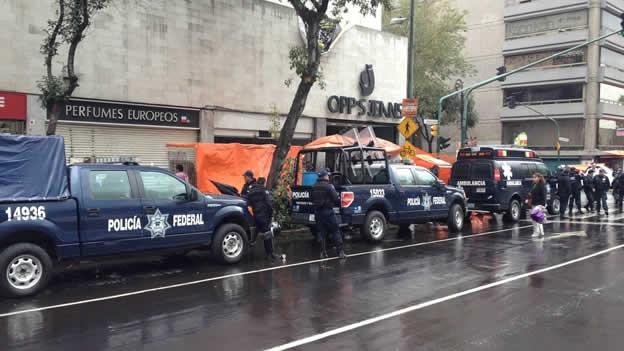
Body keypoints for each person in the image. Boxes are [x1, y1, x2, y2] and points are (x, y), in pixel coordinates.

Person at [311, 169, 347, 259]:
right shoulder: (329, 186)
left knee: (321, 233)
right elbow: (335, 198)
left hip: (318, 213)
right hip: (328, 212)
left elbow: (312, 198)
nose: (328, 176)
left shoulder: (314, 186)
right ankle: (340, 252)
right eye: (327, 175)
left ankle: (323, 253)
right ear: (325, 176)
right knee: (335, 231)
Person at [247, 177, 282, 263]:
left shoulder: (250, 191)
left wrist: (254, 215)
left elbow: (249, 206)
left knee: (260, 232)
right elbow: (269, 205)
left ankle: (252, 244)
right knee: (268, 234)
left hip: (256, 216)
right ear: (263, 183)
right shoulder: (263, 191)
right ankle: (271, 254)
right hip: (264, 215)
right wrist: (270, 216)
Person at [529, 173, 547, 238]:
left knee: (535, 219)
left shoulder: (542, 185)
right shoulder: (534, 185)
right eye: (533, 177)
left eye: (535, 177)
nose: (533, 179)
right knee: (538, 218)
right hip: (534, 203)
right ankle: (541, 232)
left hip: (539, 204)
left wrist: (543, 205)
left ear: (539, 178)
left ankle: (536, 233)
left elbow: (544, 195)